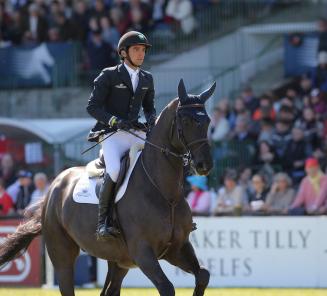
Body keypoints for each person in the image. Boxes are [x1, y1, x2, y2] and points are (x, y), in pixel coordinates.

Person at [86, 31, 156, 240]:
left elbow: (149, 108)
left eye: (143, 50)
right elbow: (92, 107)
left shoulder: (147, 78)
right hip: (111, 133)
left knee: (160, 158)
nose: (141, 54)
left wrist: (152, 120)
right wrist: (115, 121)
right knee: (115, 169)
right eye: (136, 49)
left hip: (135, 131)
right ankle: (103, 223)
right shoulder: (109, 75)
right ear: (124, 52)